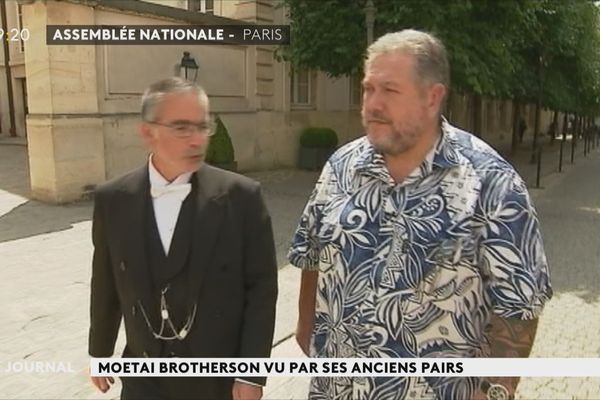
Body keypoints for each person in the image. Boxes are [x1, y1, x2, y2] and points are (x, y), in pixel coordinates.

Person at [289, 30, 552, 400]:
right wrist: (306, 328)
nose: (373, 104)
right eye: (368, 89)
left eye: (390, 91)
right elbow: (311, 250)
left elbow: (520, 304)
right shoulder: (341, 167)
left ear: (432, 97)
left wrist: (494, 390)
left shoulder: (493, 183)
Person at [88, 77, 278, 400]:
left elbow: (261, 289)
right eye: (181, 128)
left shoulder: (242, 197)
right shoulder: (112, 199)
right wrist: (99, 353)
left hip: (217, 382)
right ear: (148, 132)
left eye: (203, 127)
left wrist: (251, 374)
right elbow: (105, 283)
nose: (196, 140)